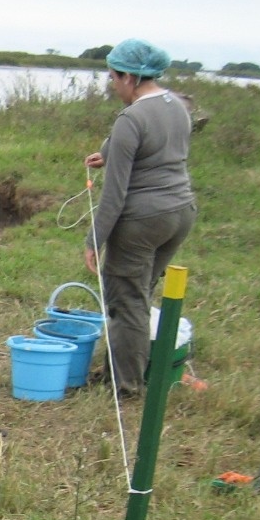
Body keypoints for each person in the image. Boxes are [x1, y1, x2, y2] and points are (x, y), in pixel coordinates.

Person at [83, 38, 197, 397]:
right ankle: (121, 367)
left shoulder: (131, 118)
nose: (112, 86)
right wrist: (108, 152)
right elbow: (150, 144)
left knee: (126, 301)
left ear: (130, 77)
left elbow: (114, 196)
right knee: (139, 293)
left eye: (114, 78)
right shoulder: (176, 105)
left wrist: (94, 239)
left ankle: (127, 386)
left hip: (142, 220)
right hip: (180, 214)